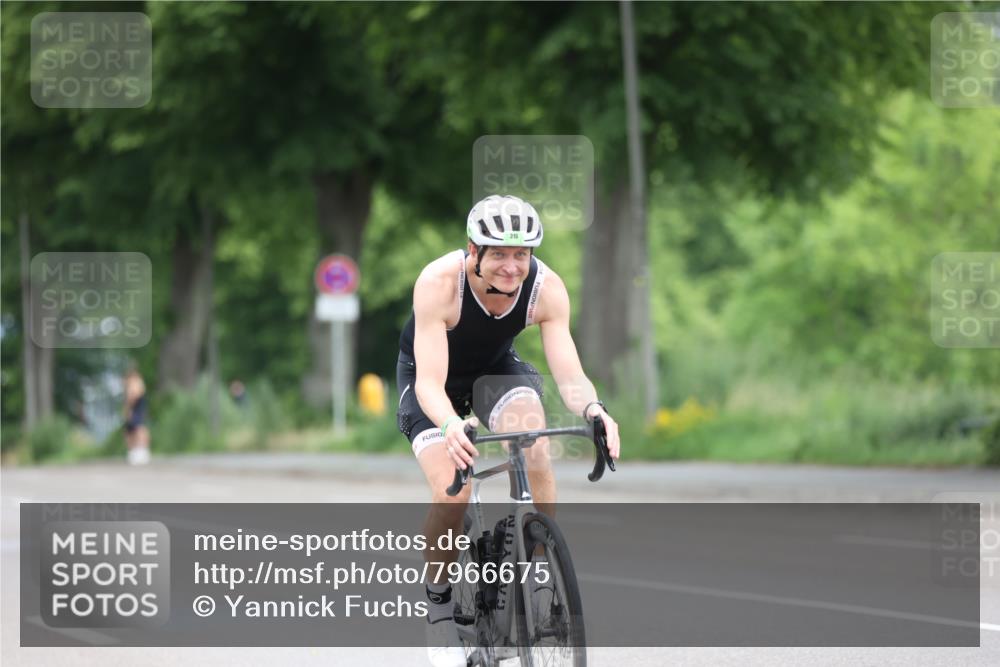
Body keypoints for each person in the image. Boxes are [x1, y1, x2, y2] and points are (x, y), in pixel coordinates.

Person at [395, 194, 621, 666]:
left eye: (522, 255)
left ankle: (538, 568)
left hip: (495, 374)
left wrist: (596, 410)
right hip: (430, 384)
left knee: (535, 443)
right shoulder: (439, 283)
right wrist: (452, 425)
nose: (511, 267)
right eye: (498, 253)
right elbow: (432, 385)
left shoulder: (547, 288)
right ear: (473, 251)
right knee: (453, 493)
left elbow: (570, 375)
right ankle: (439, 606)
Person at [123, 368, 150, 465]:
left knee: (139, 428)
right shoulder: (129, 384)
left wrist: (130, 407)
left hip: (137, 408)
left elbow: (135, 396)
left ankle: (141, 451)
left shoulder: (137, 383)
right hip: (134, 409)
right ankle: (134, 452)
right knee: (130, 431)